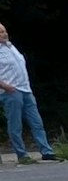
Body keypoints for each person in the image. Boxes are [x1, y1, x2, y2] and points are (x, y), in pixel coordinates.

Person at [0, 24, 61, 164]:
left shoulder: (11, 47)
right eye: (0, 32)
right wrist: (5, 86)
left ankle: (47, 151)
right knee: (15, 124)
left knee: (36, 122)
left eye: (4, 31)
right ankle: (21, 154)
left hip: (25, 89)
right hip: (11, 91)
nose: (4, 34)